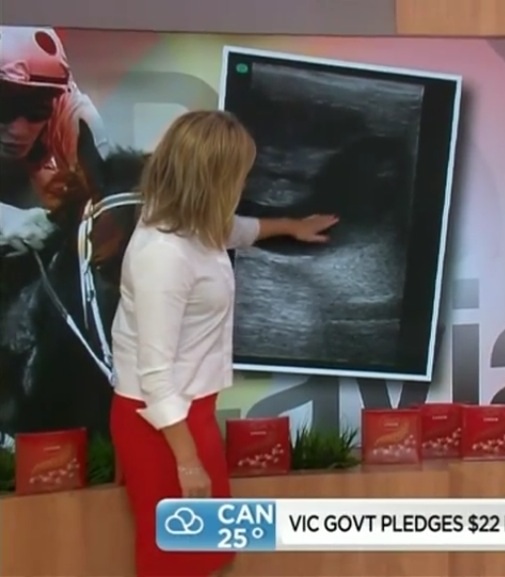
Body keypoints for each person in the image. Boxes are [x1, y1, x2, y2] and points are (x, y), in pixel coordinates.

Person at [109, 110, 339, 577]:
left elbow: (235, 230)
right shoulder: (162, 256)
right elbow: (155, 378)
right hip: (160, 426)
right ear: (211, 178)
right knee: (175, 557)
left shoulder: (193, 224)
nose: (244, 182)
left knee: (210, 548)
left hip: (191, 416)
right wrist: (187, 461)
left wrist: (290, 226)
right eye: (239, 173)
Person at [0, 25, 109, 254]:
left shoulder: (74, 112)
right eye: (6, 105)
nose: (19, 131)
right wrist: (5, 218)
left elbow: (106, 203)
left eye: (37, 109)